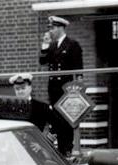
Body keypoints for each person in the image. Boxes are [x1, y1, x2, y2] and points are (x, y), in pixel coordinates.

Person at [38, 15, 83, 155]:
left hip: (67, 89)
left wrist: (77, 91)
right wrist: (44, 45)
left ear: (60, 28)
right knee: (56, 120)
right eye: (50, 28)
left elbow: (78, 69)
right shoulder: (51, 46)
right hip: (53, 89)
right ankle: (60, 151)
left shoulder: (72, 44)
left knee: (66, 120)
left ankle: (66, 150)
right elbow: (43, 62)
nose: (51, 31)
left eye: (53, 28)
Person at [9, 73, 66, 154]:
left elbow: (58, 124)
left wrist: (44, 143)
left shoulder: (41, 107)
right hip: (15, 149)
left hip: (35, 151)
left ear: (30, 88)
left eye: (23, 88)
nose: (20, 91)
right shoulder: (10, 107)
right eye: (17, 89)